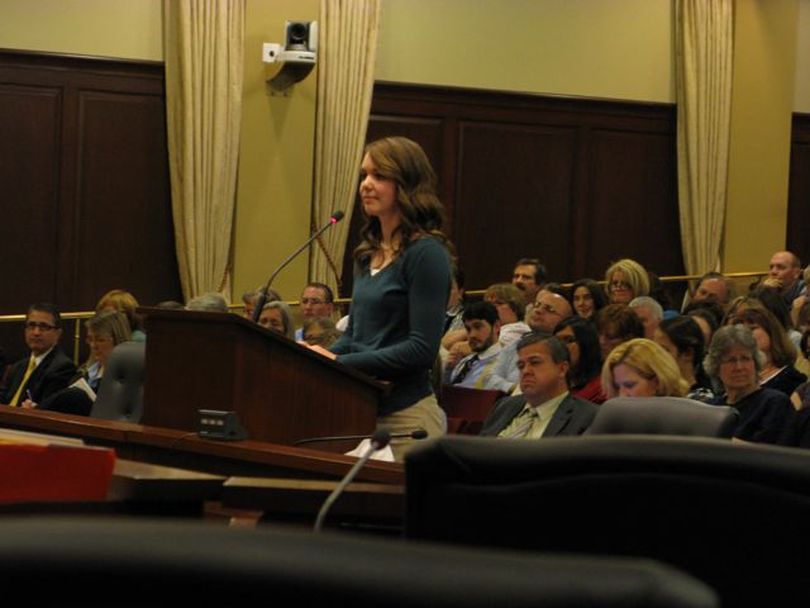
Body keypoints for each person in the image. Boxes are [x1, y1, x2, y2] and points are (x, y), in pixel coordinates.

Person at [308, 136, 452, 461]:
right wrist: (317, 358)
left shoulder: (426, 254)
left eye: (380, 176)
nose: (366, 185)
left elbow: (421, 349)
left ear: (408, 184)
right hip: (362, 412)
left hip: (407, 418)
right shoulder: (365, 255)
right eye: (364, 175)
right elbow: (356, 336)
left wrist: (339, 364)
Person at [480, 333, 598, 438]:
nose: (525, 371)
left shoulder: (587, 417)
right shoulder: (504, 406)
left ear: (562, 369)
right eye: (521, 365)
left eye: (535, 362)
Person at [25, 310, 132, 415]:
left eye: (100, 340)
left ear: (118, 340)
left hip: (105, 423)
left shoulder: (128, 375)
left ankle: (36, 412)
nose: (93, 345)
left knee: (77, 395)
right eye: (90, 339)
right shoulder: (87, 371)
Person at [704, 325, 795, 444]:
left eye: (745, 359)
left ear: (755, 362)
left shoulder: (774, 403)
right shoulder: (711, 408)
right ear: (716, 367)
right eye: (731, 360)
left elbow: (768, 453)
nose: (739, 367)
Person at [0, 303, 77, 406]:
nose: (36, 332)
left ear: (57, 334)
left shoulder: (62, 367)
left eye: (44, 327)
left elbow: (47, 411)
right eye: (31, 325)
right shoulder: (17, 367)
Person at [729, 305, 806, 397]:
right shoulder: (730, 380)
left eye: (752, 328)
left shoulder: (793, 380)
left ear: (771, 333)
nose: (744, 334)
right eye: (739, 331)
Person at [601, 338, 689, 399]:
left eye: (629, 385)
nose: (621, 395)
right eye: (617, 387)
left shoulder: (690, 419)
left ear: (657, 382)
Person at [654, 316, 715, 403]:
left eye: (664, 350)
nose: (656, 356)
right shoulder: (656, 392)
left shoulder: (702, 401)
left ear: (688, 354)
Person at [444, 301, 502, 389]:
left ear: (496, 326)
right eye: (468, 329)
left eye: (478, 327)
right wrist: (449, 370)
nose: (472, 335)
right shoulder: (464, 362)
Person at [553, 317, 606, 404]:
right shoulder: (553, 381)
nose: (560, 346)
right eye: (556, 341)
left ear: (586, 344)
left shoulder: (601, 389)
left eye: (568, 340)